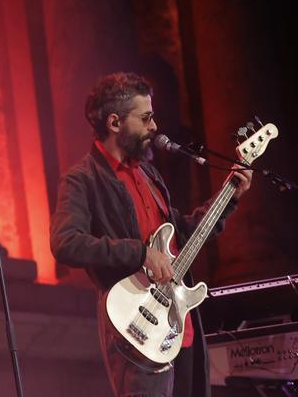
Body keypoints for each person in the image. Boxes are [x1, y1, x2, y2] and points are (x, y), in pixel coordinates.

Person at [50, 72, 252, 397]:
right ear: (115, 123)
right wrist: (141, 253)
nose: (155, 127)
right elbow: (66, 243)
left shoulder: (149, 176)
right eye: (145, 118)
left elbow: (182, 237)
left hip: (179, 326)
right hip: (135, 328)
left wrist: (229, 196)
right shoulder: (81, 180)